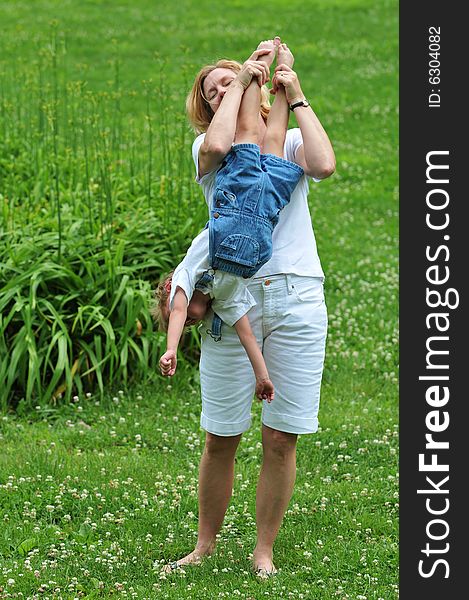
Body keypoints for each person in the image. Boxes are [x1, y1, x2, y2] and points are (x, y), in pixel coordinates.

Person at [165, 36, 335, 578]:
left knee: (281, 437)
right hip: (232, 301)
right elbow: (218, 149)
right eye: (214, 89)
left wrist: (294, 90)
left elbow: (325, 165)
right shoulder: (207, 151)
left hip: (297, 297)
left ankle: (263, 551)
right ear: (211, 105)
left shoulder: (285, 145)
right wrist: (241, 81)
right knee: (221, 436)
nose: (223, 89)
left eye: (229, 80)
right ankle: (205, 545)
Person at [155, 38, 305, 404]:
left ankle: (264, 66)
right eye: (212, 92)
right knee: (269, 142)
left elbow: (176, 310)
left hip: (237, 216)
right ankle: (274, 73)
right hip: (261, 225)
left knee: (255, 136)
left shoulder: (191, 272)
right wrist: (263, 376)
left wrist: (170, 348)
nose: (192, 312)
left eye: (227, 83)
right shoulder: (224, 292)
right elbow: (247, 337)